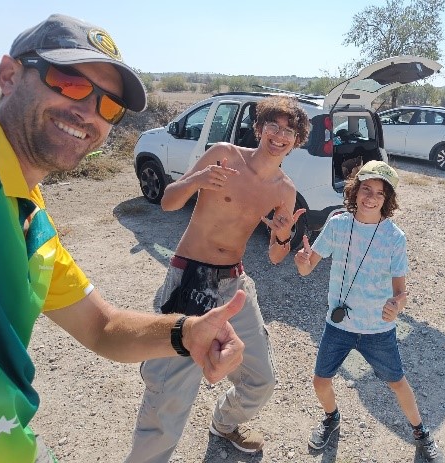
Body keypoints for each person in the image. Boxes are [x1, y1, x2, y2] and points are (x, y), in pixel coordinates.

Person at [0, 14, 246, 463]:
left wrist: (186, 332)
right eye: (69, 82)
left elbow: (101, 327)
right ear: (10, 76)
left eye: (109, 106)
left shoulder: (30, 215)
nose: (89, 113)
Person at [125, 95, 310, 462]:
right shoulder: (225, 154)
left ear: (297, 141)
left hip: (234, 284)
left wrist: (283, 235)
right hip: (190, 277)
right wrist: (198, 179)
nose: (279, 136)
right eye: (273, 126)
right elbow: (169, 202)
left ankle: (225, 423)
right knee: (170, 394)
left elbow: (276, 257)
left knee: (261, 379)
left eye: (289, 131)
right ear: (258, 128)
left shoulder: (284, 190)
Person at [294, 160, 445, 462]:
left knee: (397, 383)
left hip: (377, 329)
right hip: (339, 326)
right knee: (320, 381)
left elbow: (401, 292)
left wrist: (396, 306)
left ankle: (421, 433)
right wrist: (302, 261)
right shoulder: (338, 225)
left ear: (387, 200)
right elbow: (307, 268)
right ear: (355, 190)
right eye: (366, 189)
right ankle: (332, 417)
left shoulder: (395, 237)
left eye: (379, 193)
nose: (371, 198)